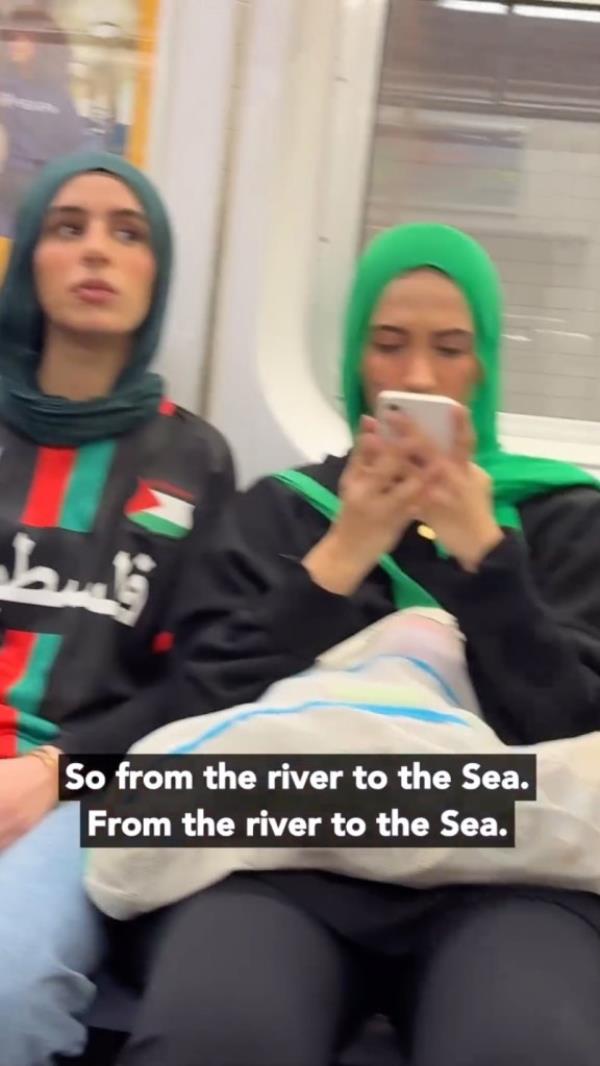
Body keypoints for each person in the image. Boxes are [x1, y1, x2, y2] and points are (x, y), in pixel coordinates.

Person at [115, 223, 600, 1066]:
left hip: (512, 865)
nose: (416, 377)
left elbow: (573, 726)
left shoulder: (566, 520)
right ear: (354, 362)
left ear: (481, 367)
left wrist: (486, 561)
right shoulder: (281, 512)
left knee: (525, 1045)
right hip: (282, 849)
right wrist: (340, 558)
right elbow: (189, 713)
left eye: (448, 349)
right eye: (388, 346)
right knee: (216, 1039)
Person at [0, 150, 234, 1064]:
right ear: (30, 266)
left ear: (157, 275)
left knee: (10, 986)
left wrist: (62, 771)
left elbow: (201, 687)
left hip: (82, 791)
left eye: (126, 234)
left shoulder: (197, 461)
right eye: (69, 227)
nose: (97, 250)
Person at [0, 7, 87, 237]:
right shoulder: (6, 83)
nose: (15, 44)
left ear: (41, 45)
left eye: (25, 38)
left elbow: (76, 148)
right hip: (5, 188)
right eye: (12, 37)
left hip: (40, 193)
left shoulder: (58, 98)